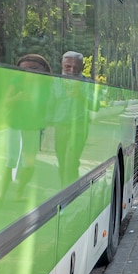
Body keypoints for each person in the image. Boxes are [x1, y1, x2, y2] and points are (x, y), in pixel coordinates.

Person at [0, 53, 52, 206]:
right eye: (25, 69)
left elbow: (48, 106)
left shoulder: (45, 84)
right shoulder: (17, 81)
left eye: (34, 69)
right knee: (11, 161)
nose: (29, 72)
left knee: (29, 164)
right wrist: (18, 97)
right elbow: (5, 102)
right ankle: (1, 195)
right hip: (15, 126)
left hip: (33, 128)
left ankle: (18, 193)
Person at [54, 51, 92, 186]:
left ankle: (70, 189)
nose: (71, 70)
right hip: (60, 125)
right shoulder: (55, 81)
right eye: (68, 66)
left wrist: (80, 96)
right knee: (62, 160)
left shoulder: (87, 83)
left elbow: (96, 105)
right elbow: (49, 103)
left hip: (80, 126)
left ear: (81, 67)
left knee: (71, 160)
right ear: (62, 65)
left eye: (75, 67)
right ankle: (65, 188)